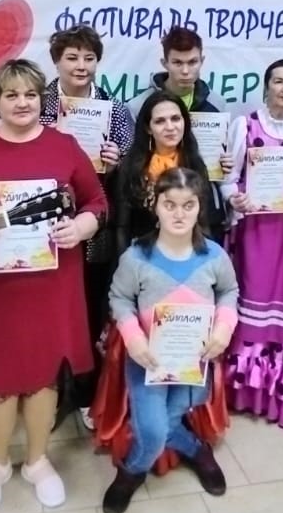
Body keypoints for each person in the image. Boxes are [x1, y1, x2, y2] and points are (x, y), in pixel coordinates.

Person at [0, 58, 108, 513]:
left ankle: (37, 461)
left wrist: (82, 226)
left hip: (51, 283)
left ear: (42, 99)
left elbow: (97, 201)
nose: (22, 102)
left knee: (43, 375)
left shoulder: (65, 146)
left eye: (31, 94)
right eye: (12, 94)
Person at [91, 91, 230, 473]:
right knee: (146, 370)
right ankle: (154, 447)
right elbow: (121, 227)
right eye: (160, 120)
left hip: (189, 282)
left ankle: (185, 438)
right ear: (148, 128)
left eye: (176, 119)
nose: (170, 126)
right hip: (144, 280)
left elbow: (207, 226)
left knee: (186, 381)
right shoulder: (131, 167)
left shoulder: (198, 163)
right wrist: (128, 280)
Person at [101, 167, 239, 513]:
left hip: (194, 360)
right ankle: (131, 472)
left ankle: (195, 449)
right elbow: (119, 298)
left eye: (188, 205)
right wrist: (133, 338)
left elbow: (229, 292)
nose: (179, 214)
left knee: (174, 414)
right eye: (170, 204)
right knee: (152, 429)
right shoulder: (136, 257)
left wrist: (223, 330)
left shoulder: (214, 256)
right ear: (156, 205)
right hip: (147, 359)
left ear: (200, 206)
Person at [40, 25, 135, 430]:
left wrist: (116, 164)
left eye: (89, 58)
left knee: (89, 308)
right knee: (48, 311)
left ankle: (85, 393)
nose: (81, 65)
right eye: (72, 57)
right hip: (45, 226)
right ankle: (47, 392)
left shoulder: (114, 110)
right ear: (56, 61)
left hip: (95, 227)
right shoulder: (37, 104)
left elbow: (130, 174)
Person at [219, 59, 283, 429]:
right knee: (250, 304)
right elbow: (227, 177)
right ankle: (244, 391)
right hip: (253, 232)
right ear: (267, 85)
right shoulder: (245, 125)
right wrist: (233, 196)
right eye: (279, 81)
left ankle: (277, 392)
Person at [129, 25, 226, 114]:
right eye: (177, 63)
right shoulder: (138, 107)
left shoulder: (217, 104)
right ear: (164, 63)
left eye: (192, 62)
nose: (185, 71)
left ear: (202, 61)